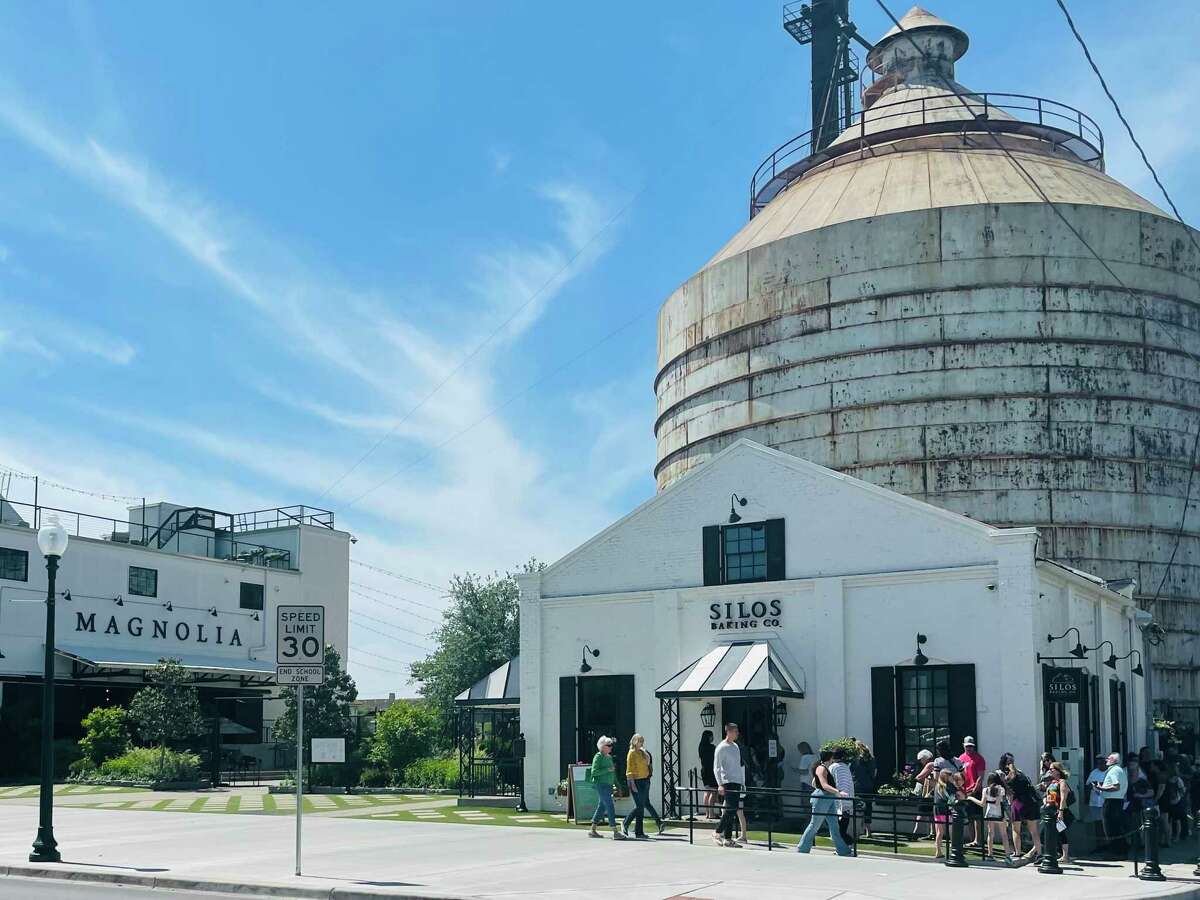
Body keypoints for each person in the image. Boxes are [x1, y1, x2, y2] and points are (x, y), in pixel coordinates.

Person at [796, 750, 851, 856]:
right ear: (830, 758)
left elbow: (815, 783)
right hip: (822, 798)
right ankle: (802, 848)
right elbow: (824, 785)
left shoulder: (825, 768)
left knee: (834, 826)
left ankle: (843, 850)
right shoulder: (821, 768)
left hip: (829, 798)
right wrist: (838, 792)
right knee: (815, 824)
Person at [622, 733, 665, 839]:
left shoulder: (642, 752)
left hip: (645, 780)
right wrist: (632, 783)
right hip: (635, 781)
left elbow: (648, 763)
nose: (641, 743)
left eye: (642, 741)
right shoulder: (631, 753)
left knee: (641, 807)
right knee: (640, 806)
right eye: (640, 741)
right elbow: (629, 770)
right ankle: (625, 823)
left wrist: (645, 753)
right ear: (634, 741)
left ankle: (639, 832)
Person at [1001, 752, 1040, 860]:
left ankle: (1017, 852)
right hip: (1031, 801)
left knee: (1015, 830)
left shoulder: (1006, 775)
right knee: (1034, 831)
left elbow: (1008, 789)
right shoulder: (1022, 773)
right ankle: (1039, 854)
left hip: (1018, 802)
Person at [968, 771, 1014, 864]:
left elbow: (982, 804)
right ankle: (1007, 856)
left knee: (990, 834)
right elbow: (998, 803)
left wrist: (971, 798)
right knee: (1004, 835)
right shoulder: (1001, 789)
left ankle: (990, 854)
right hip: (999, 813)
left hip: (989, 814)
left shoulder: (985, 790)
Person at [586, 735, 627, 840]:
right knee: (609, 805)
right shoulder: (598, 756)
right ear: (603, 746)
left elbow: (613, 773)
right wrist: (607, 770)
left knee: (602, 806)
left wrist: (618, 785)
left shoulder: (609, 757)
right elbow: (594, 772)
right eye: (609, 745)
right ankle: (615, 831)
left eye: (611, 745)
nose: (611, 747)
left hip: (608, 785)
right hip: (600, 785)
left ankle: (593, 830)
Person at [1091, 751, 1128, 857]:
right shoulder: (1119, 770)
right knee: (1116, 827)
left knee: (1110, 828)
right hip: (1117, 801)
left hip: (1112, 802)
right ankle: (1121, 850)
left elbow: (1116, 786)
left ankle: (1115, 852)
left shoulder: (1114, 771)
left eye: (1109, 758)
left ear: (1114, 760)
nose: (1106, 760)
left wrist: (1101, 788)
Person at [713, 723, 744, 848]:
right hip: (727, 781)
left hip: (736, 781)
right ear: (729, 732)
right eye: (735, 731)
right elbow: (717, 767)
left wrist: (741, 781)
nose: (737, 734)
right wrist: (720, 784)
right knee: (730, 809)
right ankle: (718, 831)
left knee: (732, 809)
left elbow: (737, 765)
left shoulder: (735, 746)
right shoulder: (721, 747)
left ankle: (728, 838)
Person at [1044, 761, 1074, 864]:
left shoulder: (1062, 782)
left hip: (1061, 811)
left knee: (1060, 832)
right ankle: (1056, 854)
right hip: (1051, 812)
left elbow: (1063, 798)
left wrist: (1060, 812)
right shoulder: (1053, 782)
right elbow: (1048, 795)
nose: (1050, 771)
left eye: (1052, 769)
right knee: (1050, 833)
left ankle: (1065, 856)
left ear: (1058, 771)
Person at [958, 736, 986, 847]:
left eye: (971, 746)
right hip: (965, 790)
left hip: (975, 791)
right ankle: (972, 839)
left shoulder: (979, 758)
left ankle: (978, 840)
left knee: (977, 817)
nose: (969, 748)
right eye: (967, 746)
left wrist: (975, 789)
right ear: (964, 746)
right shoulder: (961, 758)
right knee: (969, 816)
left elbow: (981, 776)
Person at [829, 747, 855, 844]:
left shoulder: (833, 767)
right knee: (842, 828)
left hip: (838, 803)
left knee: (838, 830)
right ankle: (845, 847)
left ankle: (848, 846)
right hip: (847, 802)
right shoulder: (846, 767)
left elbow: (832, 784)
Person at [851, 740, 876, 838]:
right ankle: (868, 831)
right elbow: (874, 773)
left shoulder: (855, 760)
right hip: (868, 786)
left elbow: (851, 773)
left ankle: (856, 830)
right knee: (868, 808)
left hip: (857, 786)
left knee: (856, 808)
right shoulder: (871, 759)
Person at [911, 748, 936, 840]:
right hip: (935, 793)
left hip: (928, 793)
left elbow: (919, 777)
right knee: (931, 814)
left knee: (921, 812)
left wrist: (920, 780)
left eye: (921, 759)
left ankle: (915, 833)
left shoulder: (929, 765)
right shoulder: (936, 764)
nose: (920, 762)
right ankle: (932, 832)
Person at [698, 730, 718, 819]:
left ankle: (706, 813)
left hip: (704, 771)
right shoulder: (712, 748)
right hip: (711, 771)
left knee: (707, 792)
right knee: (713, 792)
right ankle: (711, 813)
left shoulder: (701, 747)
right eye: (711, 736)